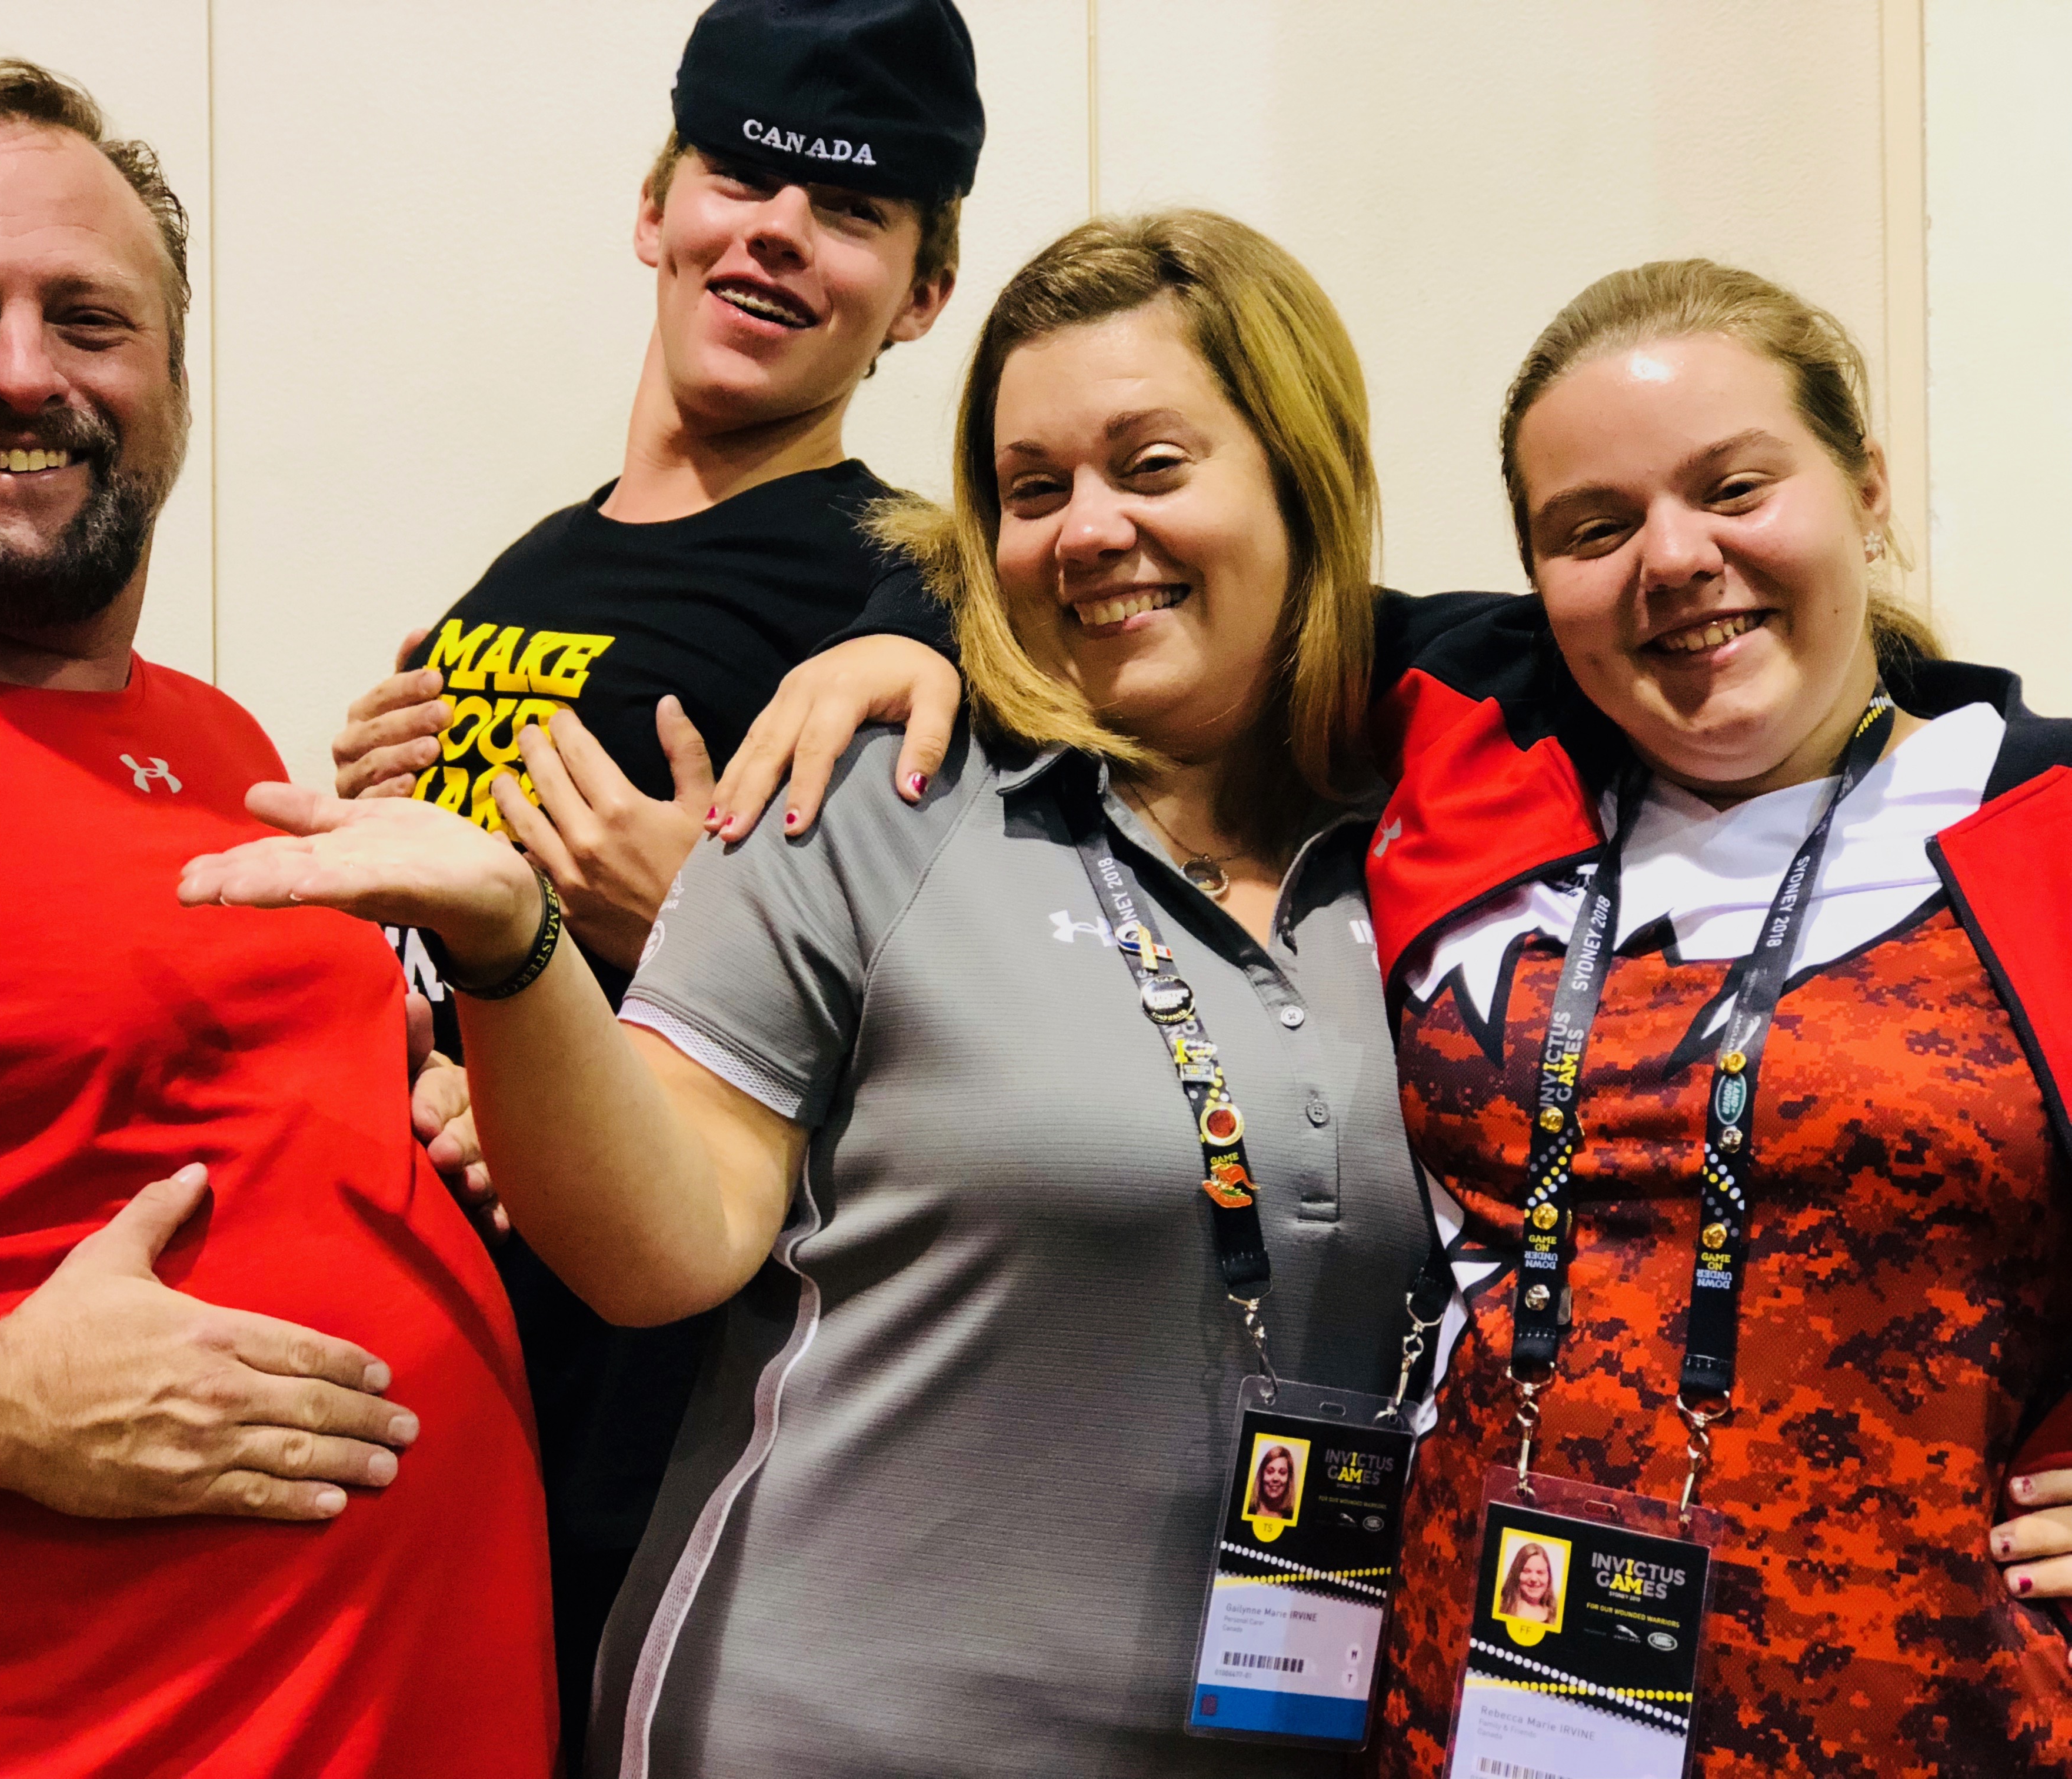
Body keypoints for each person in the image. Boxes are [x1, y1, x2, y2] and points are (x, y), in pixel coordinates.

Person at [735, 254, 2072, 1774]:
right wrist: (905, 627)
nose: (1675, 559)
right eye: (1595, 527)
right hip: (1465, 1718)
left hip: (1934, 1722)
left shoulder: (2039, 831)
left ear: (1866, 487)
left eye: (1735, 489)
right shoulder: (1466, 736)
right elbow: (1165, 578)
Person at [182, 210, 1434, 1777]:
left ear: (1303, 471)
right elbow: (666, 1237)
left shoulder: (1447, 831)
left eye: (1153, 465)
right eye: (1033, 490)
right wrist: (517, 947)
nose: (1089, 530)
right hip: (837, 1728)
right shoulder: (874, 788)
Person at [0, 62, 552, 1775]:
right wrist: (1, 1404)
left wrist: (420, 1107)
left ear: (171, 377)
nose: (26, 373)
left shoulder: (214, 742)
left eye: (90, 320)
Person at [327, 2, 982, 1756]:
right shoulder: (520, 575)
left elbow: (994, 1035)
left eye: (851, 211)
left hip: (671, 1460)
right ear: (656, 208)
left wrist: (691, 939)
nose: (777, 231)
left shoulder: (913, 588)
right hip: (445, 1421)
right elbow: (440, 974)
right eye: (742, 175)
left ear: (924, 293)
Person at [1497, 1543, 1556, 1624]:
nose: (1534, 1579)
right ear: (1516, 1573)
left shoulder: (1557, 1615)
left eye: (1540, 1572)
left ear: (1549, 1577)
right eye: (1527, 1571)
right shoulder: (1499, 1606)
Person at [1250, 1441, 1299, 1520]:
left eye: (1282, 1473)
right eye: (1270, 1472)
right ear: (1261, 1475)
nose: (1276, 1479)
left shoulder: (1294, 1517)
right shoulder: (1247, 1510)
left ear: (1289, 1479)